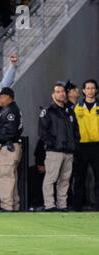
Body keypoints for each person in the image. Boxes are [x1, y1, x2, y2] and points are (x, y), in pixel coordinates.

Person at [38, 84, 79, 212]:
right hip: (54, 151)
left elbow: (76, 130)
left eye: (62, 91)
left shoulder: (69, 111)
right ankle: (49, 204)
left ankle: (62, 204)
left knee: (65, 179)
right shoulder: (48, 110)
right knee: (51, 178)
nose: (61, 94)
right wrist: (53, 144)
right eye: (58, 91)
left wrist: (74, 143)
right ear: (53, 94)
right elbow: (42, 132)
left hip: (68, 151)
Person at [0, 87, 23, 212]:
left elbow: (11, 130)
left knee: (6, 176)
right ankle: (13, 205)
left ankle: (7, 206)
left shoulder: (10, 111)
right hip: (10, 146)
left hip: (8, 146)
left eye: (1, 96)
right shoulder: (10, 109)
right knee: (11, 176)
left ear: (8, 97)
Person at [72, 79, 99, 211]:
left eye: (93, 88)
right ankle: (77, 206)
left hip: (97, 145)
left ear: (96, 90)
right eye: (87, 88)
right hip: (81, 146)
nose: (90, 91)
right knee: (79, 178)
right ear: (83, 91)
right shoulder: (77, 107)